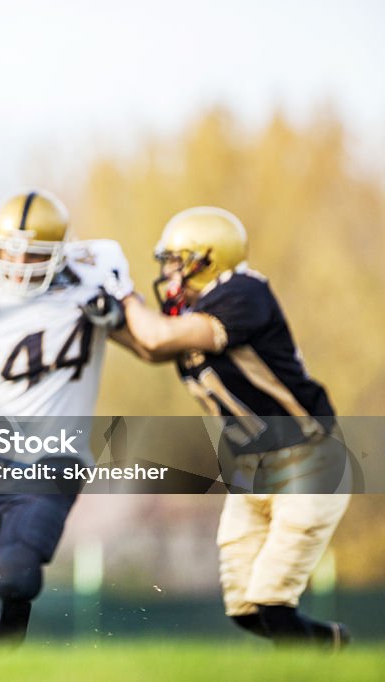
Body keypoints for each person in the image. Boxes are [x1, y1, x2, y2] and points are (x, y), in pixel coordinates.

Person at [103, 205, 350, 649]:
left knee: (272, 602)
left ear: (208, 259)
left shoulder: (245, 292)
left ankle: (319, 660)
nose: (170, 275)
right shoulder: (194, 317)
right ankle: (331, 644)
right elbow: (150, 348)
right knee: (245, 610)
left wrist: (125, 297)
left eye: (177, 263)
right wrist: (108, 322)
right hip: (250, 469)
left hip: (306, 459)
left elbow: (158, 337)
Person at [0, 190, 134, 647]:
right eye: (7, 252)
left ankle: (6, 668)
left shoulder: (92, 282)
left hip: (56, 461)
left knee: (16, 576)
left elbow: (147, 338)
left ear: (58, 253)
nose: (17, 265)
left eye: (31, 254)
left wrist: (119, 314)